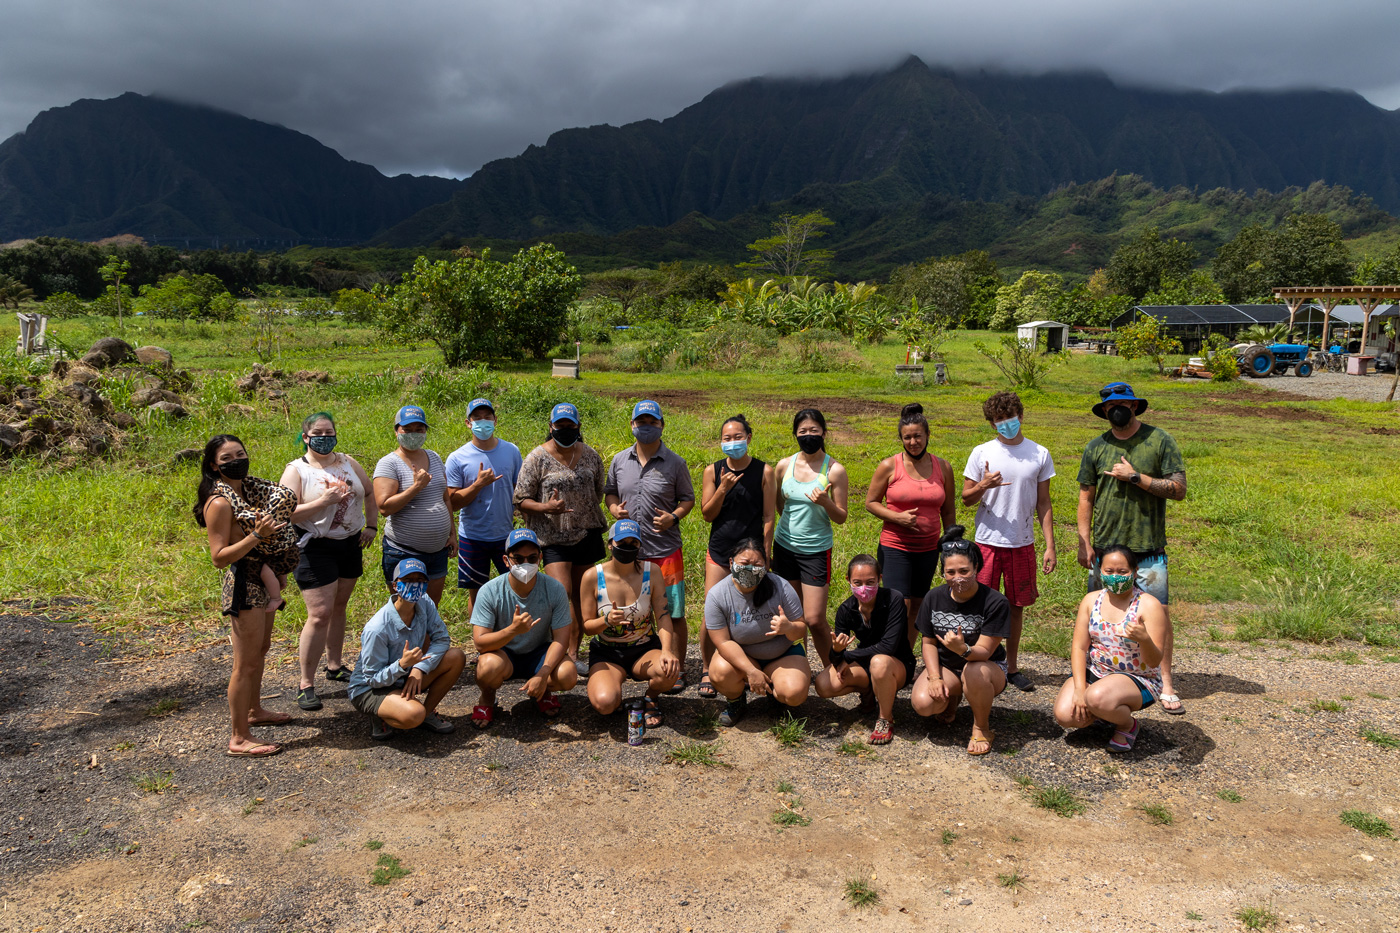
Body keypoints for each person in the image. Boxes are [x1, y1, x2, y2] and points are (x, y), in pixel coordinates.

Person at [1076, 382, 1186, 714]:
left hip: (1148, 546)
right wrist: (1083, 542)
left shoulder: (1160, 440)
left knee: (1159, 615)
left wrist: (1136, 477)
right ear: (1105, 411)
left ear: (1135, 406)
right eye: (1111, 405)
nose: (1118, 409)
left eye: (1123, 403)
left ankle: (1164, 681)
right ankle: (1096, 678)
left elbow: (1179, 489)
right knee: (1099, 613)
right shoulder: (1095, 447)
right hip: (1106, 548)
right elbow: (1086, 498)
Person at [194, 434, 296, 758]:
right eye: (227, 458)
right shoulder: (220, 503)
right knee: (245, 663)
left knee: (261, 650)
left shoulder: (250, 493)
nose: (237, 461)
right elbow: (219, 557)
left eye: (241, 454)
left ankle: (254, 711)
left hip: (263, 577)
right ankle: (239, 737)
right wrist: (257, 535)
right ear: (214, 465)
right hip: (243, 583)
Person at [279, 412, 378, 711]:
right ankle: (305, 683)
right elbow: (285, 513)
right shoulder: (297, 470)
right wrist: (323, 502)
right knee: (319, 614)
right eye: (317, 433)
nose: (324, 437)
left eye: (329, 432)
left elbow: (369, 491)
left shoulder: (348, 462)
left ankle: (334, 665)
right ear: (306, 437)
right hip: (315, 547)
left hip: (350, 544)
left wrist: (371, 526)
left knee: (339, 606)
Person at [962, 391, 1056, 693]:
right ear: (992, 424)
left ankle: (1012, 666)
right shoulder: (981, 453)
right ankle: (979, 660)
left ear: (1021, 416)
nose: (1006, 424)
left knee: (1017, 607)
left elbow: (1044, 502)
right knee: (980, 605)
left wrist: (1050, 545)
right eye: (999, 420)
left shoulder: (1039, 454)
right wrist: (983, 484)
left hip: (1022, 542)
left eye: (1010, 417)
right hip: (986, 542)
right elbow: (966, 499)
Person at [605, 400, 695, 692]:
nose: (646, 427)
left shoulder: (676, 463)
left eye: (652, 422)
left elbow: (687, 498)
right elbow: (610, 494)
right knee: (637, 612)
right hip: (631, 553)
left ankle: (675, 667)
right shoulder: (619, 461)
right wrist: (614, 509)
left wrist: (675, 516)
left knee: (673, 612)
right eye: (641, 422)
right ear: (632, 425)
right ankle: (640, 660)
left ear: (662, 425)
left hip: (665, 551)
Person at [514, 402, 608, 673]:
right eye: (560, 425)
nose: (565, 430)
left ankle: (573, 652)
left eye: (570, 425)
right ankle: (553, 648)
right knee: (561, 592)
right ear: (550, 427)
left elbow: (598, 491)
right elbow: (520, 499)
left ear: (578, 426)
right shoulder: (537, 458)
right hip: (551, 536)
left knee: (583, 595)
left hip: (587, 533)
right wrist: (546, 508)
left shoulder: (590, 455)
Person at [1052, 545, 1168, 752]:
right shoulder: (1091, 600)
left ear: (1134, 572)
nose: (1115, 577)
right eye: (1109, 572)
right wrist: (1080, 690)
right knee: (1064, 715)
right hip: (1097, 672)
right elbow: (1079, 648)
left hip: (1138, 678)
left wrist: (1145, 640)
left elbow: (1153, 661)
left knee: (1096, 697)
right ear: (1100, 572)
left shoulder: (1149, 605)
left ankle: (1127, 725)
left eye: (1122, 572)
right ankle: (1105, 712)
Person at [910, 526, 1011, 756]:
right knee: (924, 704)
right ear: (943, 573)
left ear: (977, 568)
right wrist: (934, 677)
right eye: (951, 572)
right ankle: (952, 699)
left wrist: (962, 649)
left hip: (986, 668)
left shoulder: (995, 602)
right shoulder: (933, 597)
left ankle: (981, 727)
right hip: (948, 668)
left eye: (964, 571)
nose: (957, 578)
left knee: (973, 671)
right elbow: (928, 642)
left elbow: (984, 651)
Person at [698, 413, 776, 699]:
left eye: (738, 437)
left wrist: (766, 552)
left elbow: (769, 515)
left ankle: (752, 665)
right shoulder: (712, 471)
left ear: (749, 438)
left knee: (752, 611)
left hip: (752, 556)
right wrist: (723, 488)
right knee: (711, 613)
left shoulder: (764, 471)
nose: (733, 443)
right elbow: (707, 514)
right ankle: (707, 669)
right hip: (720, 552)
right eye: (727, 438)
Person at [863, 403, 955, 642]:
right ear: (901, 439)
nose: (913, 442)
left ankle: (906, 657)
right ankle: (888, 653)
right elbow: (871, 502)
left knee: (918, 604)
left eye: (918, 436)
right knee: (898, 605)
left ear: (927, 435)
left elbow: (948, 510)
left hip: (928, 549)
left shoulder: (943, 467)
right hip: (895, 547)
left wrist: (952, 544)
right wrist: (897, 518)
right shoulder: (889, 466)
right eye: (907, 438)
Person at [469, 529, 579, 728]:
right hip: (503, 654)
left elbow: (561, 640)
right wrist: (512, 630)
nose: (525, 564)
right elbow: (480, 642)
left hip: (539, 653)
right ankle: (487, 697)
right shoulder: (490, 591)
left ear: (540, 559)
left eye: (532, 557)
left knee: (568, 674)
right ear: (506, 560)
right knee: (486, 668)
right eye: (518, 558)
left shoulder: (555, 589)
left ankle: (543, 689)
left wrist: (543, 674)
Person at [347, 558, 466, 739]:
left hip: (406, 674)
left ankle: (424, 713)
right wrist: (402, 665)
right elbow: (372, 679)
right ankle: (381, 714)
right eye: (408, 580)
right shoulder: (377, 628)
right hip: (370, 689)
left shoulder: (425, 602)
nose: (415, 586)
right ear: (395, 585)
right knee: (412, 715)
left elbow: (441, 638)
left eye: (420, 581)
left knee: (456, 657)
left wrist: (419, 668)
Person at [579, 520, 681, 729]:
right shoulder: (592, 576)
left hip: (644, 649)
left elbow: (662, 616)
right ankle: (615, 696)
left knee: (670, 670)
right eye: (621, 542)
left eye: (633, 543)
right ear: (610, 544)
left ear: (639, 546)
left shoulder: (651, 572)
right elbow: (588, 627)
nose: (627, 546)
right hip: (607, 652)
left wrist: (668, 650)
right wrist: (606, 620)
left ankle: (651, 696)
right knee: (604, 703)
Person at [704, 538, 811, 727]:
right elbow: (722, 642)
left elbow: (801, 628)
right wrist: (751, 671)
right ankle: (736, 701)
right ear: (731, 563)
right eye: (744, 564)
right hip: (743, 656)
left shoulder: (781, 586)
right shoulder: (717, 595)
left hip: (782, 654)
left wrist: (789, 628)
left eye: (757, 565)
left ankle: (775, 695)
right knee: (720, 672)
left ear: (766, 566)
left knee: (794, 693)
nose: (749, 570)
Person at [773, 408, 849, 665]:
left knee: (814, 618)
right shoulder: (784, 465)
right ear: (795, 434)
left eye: (814, 431)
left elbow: (841, 516)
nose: (808, 436)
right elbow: (780, 505)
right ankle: (799, 666)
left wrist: (826, 502)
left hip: (816, 551)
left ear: (824, 433)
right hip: (784, 548)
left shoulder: (835, 470)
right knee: (794, 617)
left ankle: (835, 667)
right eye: (802, 431)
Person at [814, 554, 916, 745]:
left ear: (880, 579)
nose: (864, 588)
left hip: (897, 663)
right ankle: (868, 691)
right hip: (868, 663)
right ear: (848, 581)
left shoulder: (895, 600)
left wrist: (848, 655)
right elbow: (838, 657)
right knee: (823, 684)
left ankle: (885, 718)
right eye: (857, 582)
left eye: (870, 582)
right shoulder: (846, 609)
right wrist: (836, 650)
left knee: (880, 661)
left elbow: (888, 646)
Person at [445, 397, 523, 609]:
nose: (482, 421)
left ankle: (513, 635)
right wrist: (477, 485)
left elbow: (520, 492)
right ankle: (480, 640)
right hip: (472, 536)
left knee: (517, 588)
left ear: (495, 420)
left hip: (505, 535)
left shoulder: (512, 451)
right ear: (468, 423)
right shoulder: (457, 458)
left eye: (487, 417)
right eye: (476, 418)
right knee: (477, 594)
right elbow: (451, 502)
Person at [373, 405, 455, 605]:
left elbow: (445, 498)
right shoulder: (388, 464)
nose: (414, 434)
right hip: (404, 552)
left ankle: (425, 638)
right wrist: (415, 487)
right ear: (396, 431)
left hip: (438, 552)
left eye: (419, 430)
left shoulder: (434, 457)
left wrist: (453, 533)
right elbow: (384, 507)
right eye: (408, 429)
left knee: (430, 609)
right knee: (404, 609)